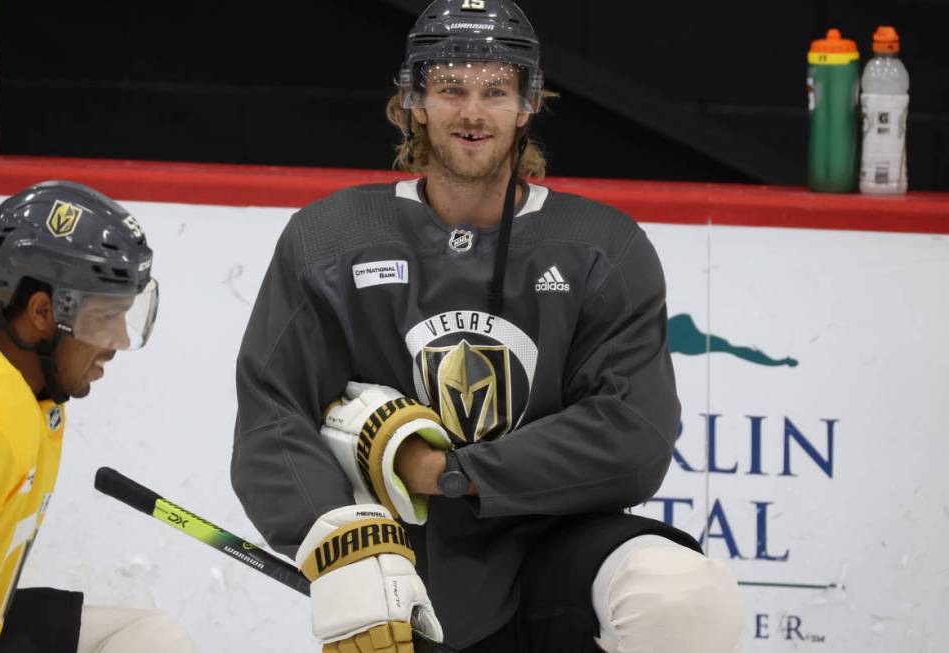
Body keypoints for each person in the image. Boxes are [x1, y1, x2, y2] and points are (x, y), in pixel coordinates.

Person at [232, 1, 745, 651]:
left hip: (553, 549)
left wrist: (445, 472)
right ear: (414, 97)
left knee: (681, 596)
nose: (472, 112)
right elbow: (273, 414)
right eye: (450, 88)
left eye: (494, 91)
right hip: (399, 562)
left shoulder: (600, 247)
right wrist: (340, 543)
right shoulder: (331, 239)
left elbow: (635, 434)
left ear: (529, 102)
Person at [0, 181, 194, 653]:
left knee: (150, 641)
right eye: (106, 318)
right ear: (41, 312)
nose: (119, 343)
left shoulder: (19, 370)